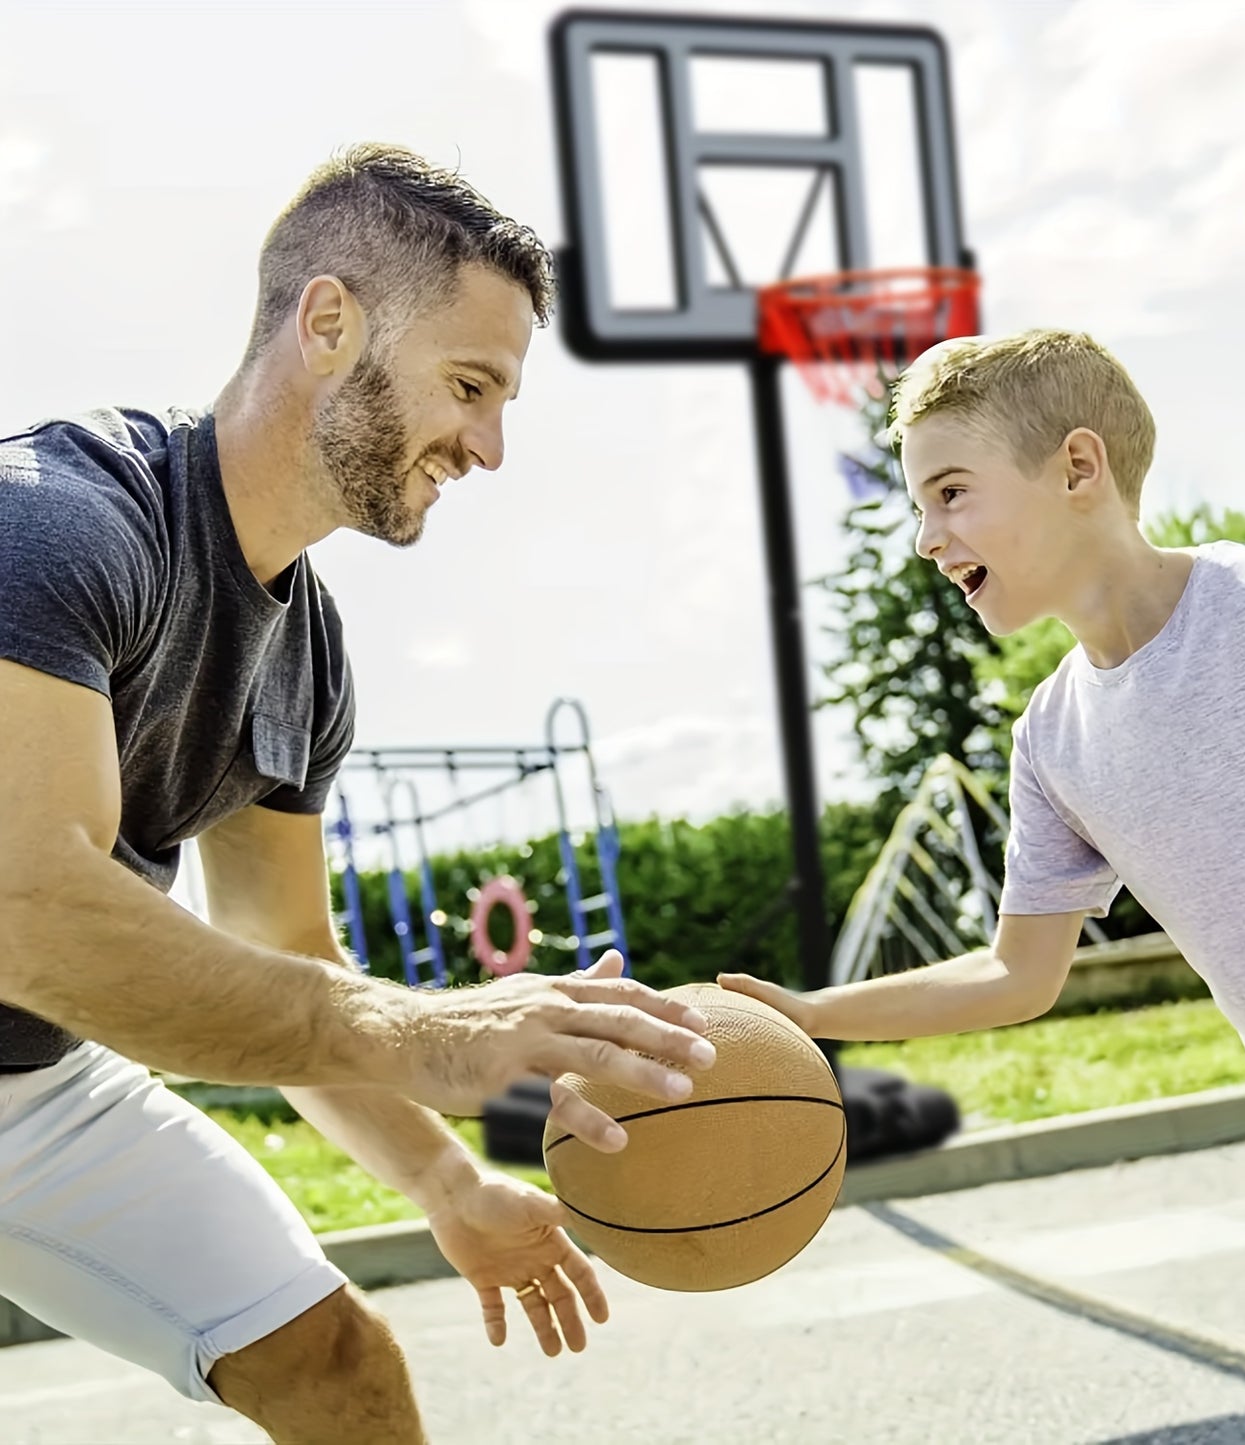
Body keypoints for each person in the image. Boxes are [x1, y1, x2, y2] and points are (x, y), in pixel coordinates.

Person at [0, 144, 717, 1444]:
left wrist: (446, 1181)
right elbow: (28, 914)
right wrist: (430, 1033)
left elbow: (282, 952)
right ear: (328, 322)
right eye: (470, 385)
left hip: (27, 1084)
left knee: (338, 1371)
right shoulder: (54, 525)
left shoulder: (308, 655)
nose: (489, 447)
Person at [722, 329, 1245, 1445]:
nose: (926, 536)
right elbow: (1017, 973)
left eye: (951, 491)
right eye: (919, 505)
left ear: (1076, 468)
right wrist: (814, 1018)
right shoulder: (1054, 738)